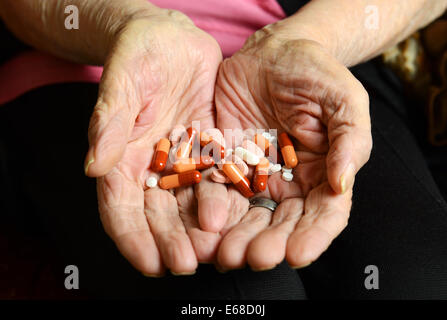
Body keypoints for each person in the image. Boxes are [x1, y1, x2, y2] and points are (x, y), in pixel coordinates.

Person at [1, 0, 447, 299]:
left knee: (417, 278)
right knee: (251, 296)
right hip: (104, 72)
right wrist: (126, 22)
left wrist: (307, 39)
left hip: (302, 78)